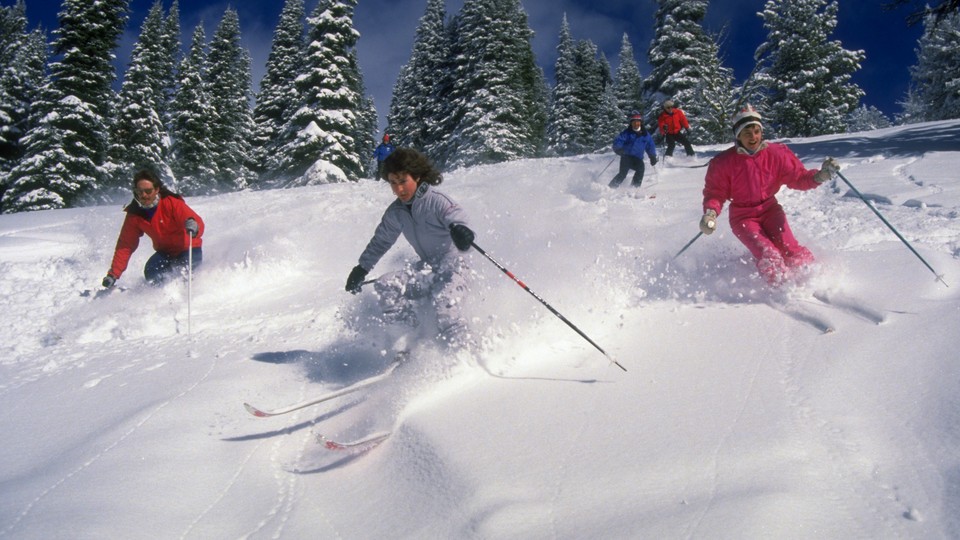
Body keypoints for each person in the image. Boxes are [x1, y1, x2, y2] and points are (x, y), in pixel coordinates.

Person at [345, 147, 476, 349]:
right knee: (386, 285)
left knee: (445, 306)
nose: (399, 189)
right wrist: (361, 268)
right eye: (393, 183)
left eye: (403, 181)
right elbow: (381, 241)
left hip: (455, 268)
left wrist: (462, 232)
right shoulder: (396, 211)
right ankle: (408, 342)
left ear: (417, 176)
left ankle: (465, 353)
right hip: (428, 269)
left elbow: (458, 219)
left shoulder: (437, 201)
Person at [699, 105, 839, 286]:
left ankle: (815, 280)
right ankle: (781, 289)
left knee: (790, 248)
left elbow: (798, 177)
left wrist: (819, 176)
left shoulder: (776, 154)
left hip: (770, 209)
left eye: (757, 131)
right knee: (769, 254)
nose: (753, 137)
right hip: (743, 216)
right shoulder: (723, 162)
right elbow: (715, 192)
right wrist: (711, 212)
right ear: (738, 135)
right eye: (747, 132)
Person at [102, 169, 204, 288]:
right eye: (140, 192)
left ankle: (192, 294)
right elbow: (125, 244)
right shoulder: (135, 214)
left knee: (187, 272)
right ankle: (162, 296)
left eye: (148, 191)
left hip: (188, 248)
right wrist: (113, 274)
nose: (144, 195)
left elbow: (194, 220)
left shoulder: (171, 203)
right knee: (151, 272)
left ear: (156, 190)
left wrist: (194, 226)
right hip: (166, 252)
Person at [608, 111, 658, 188]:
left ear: (640, 123)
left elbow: (650, 146)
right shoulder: (627, 133)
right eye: (634, 122)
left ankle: (634, 187)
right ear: (631, 123)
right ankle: (610, 188)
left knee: (641, 169)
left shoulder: (645, 134)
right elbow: (618, 141)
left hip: (637, 159)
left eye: (638, 122)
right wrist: (618, 149)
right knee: (622, 174)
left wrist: (652, 156)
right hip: (626, 157)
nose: (636, 124)